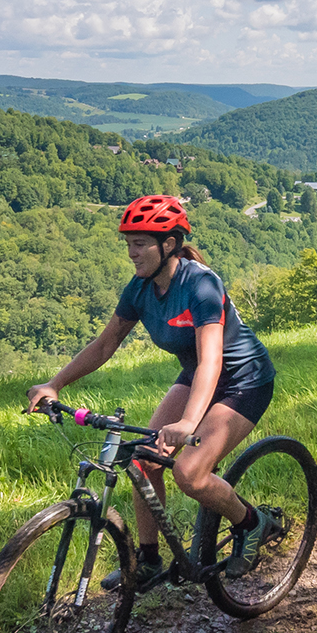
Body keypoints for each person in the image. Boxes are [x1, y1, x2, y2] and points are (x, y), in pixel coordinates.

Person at [26, 195, 279, 589]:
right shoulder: (140, 288)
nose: (131, 253)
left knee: (190, 475)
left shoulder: (201, 284)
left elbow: (212, 360)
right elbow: (105, 344)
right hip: (196, 376)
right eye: (128, 243)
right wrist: (55, 384)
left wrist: (188, 422)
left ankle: (252, 522)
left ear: (170, 244)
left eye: (140, 243)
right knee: (144, 461)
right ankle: (147, 560)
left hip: (243, 380)